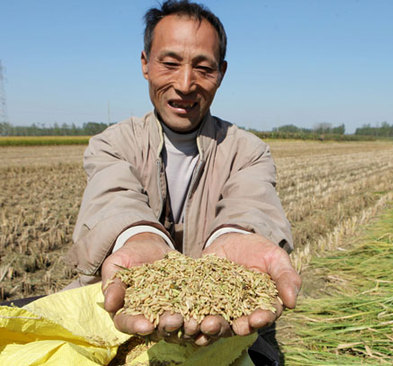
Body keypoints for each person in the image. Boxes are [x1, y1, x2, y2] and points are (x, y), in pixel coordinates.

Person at [65, 0, 301, 361]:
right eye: (170, 63)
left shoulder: (247, 150)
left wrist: (236, 237)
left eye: (203, 68)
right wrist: (138, 237)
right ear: (145, 63)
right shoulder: (113, 144)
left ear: (221, 72)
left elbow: (251, 202)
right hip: (125, 331)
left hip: (221, 337)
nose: (185, 83)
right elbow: (113, 195)